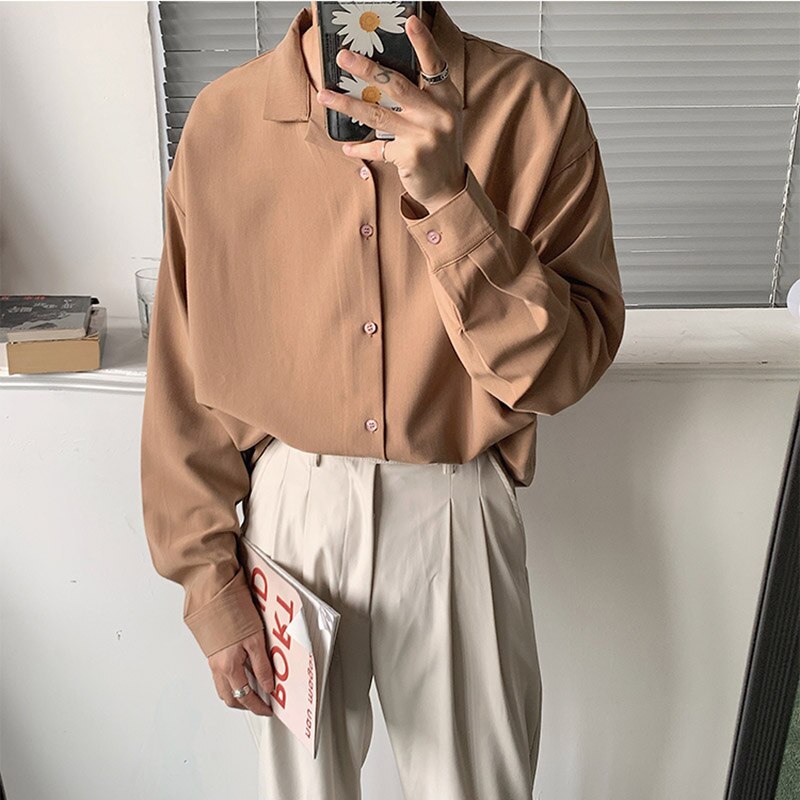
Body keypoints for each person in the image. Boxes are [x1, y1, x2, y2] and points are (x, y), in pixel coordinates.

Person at [140, 2, 626, 798]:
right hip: (290, 520)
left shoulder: (534, 107)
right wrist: (210, 589)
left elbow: (560, 373)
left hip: (456, 508)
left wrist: (450, 199)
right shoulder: (224, 122)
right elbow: (182, 385)